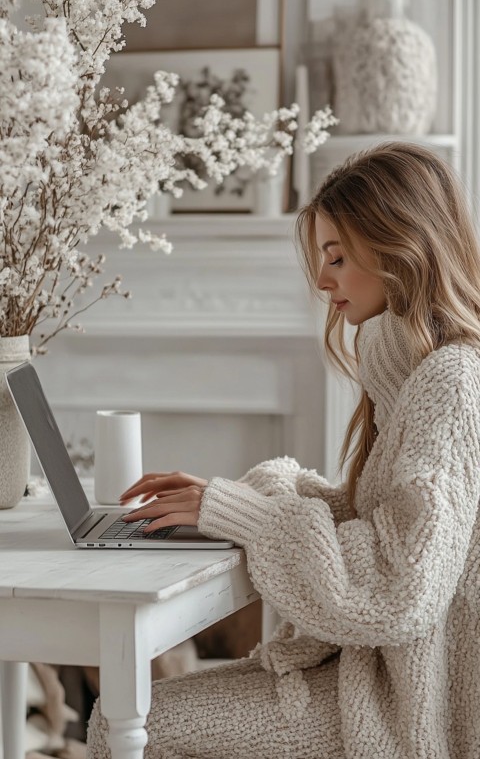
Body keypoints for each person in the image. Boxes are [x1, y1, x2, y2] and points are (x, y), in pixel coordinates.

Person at [86, 142, 480, 759]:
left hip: (399, 710)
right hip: (372, 680)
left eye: (337, 255)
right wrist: (239, 500)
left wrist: (248, 515)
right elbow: (376, 521)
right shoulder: (410, 372)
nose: (323, 280)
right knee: (129, 715)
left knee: (129, 724)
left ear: (399, 246)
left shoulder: (451, 382)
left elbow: (400, 585)